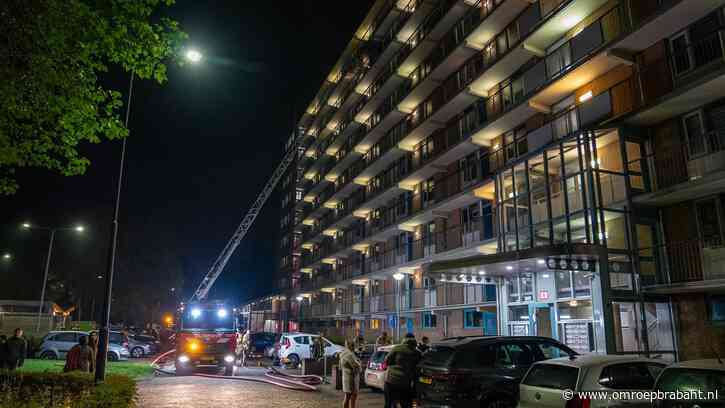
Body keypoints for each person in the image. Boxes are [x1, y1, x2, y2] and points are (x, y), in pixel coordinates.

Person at [384, 333, 421, 408]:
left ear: (404, 339)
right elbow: (419, 367)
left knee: (389, 404)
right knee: (406, 404)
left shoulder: (397, 348)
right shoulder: (417, 353)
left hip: (391, 381)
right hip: (405, 383)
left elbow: (387, 361)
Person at [339, 338, 362, 408]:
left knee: (349, 396)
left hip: (346, 376)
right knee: (350, 396)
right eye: (353, 345)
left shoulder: (343, 353)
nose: (354, 347)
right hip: (351, 378)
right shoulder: (349, 354)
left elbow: (340, 367)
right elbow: (356, 366)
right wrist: (359, 365)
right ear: (350, 346)